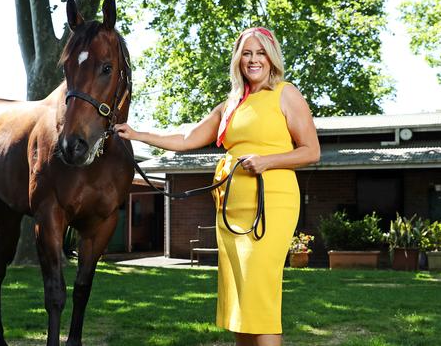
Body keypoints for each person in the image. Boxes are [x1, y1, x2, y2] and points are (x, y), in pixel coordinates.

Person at [114, 27, 320, 346]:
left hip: (271, 205)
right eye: (247, 53)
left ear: (271, 57)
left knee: (259, 292)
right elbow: (187, 139)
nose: (253, 59)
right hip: (230, 209)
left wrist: (267, 161)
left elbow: (311, 151)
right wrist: (139, 134)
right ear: (238, 59)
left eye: (260, 52)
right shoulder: (231, 103)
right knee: (239, 293)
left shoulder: (285, 93)